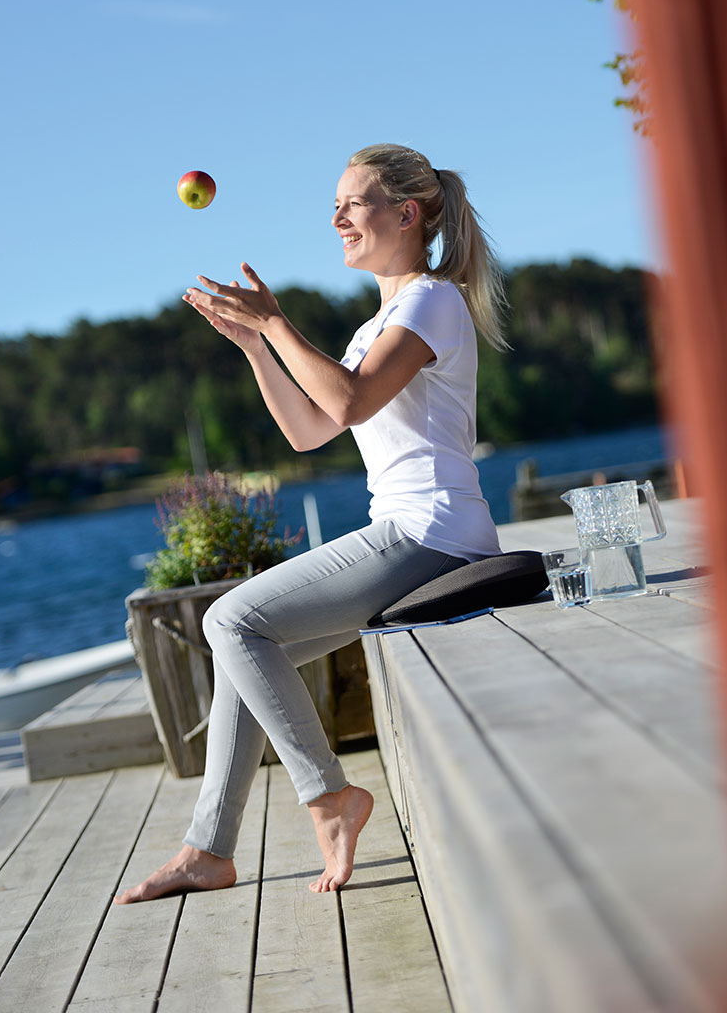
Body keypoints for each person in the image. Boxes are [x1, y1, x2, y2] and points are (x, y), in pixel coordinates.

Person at [115, 142, 507, 903]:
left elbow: (349, 403)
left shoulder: (432, 300)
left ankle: (329, 797)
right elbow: (309, 429)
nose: (336, 220)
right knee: (242, 651)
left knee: (231, 621)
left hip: (432, 534)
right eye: (334, 206)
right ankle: (208, 849)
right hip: (413, 535)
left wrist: (279, 322)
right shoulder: (380, 325)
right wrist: (258, 346)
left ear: (407, 213)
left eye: (352, 204)